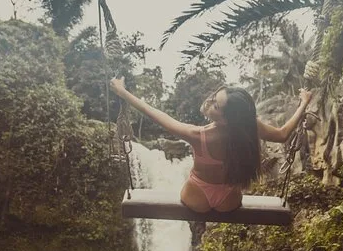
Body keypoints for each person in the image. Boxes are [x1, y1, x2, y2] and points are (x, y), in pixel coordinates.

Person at [109, 77, 313, 213]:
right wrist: (303, 103)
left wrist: (122, 92)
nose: (209, 101)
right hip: (230, 200)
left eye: (216, 105)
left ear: (226, 119)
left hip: (196, 196)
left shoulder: (198, 135)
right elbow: (283, 134)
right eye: (214, 96)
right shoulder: (249, 127)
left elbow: (155, 114)